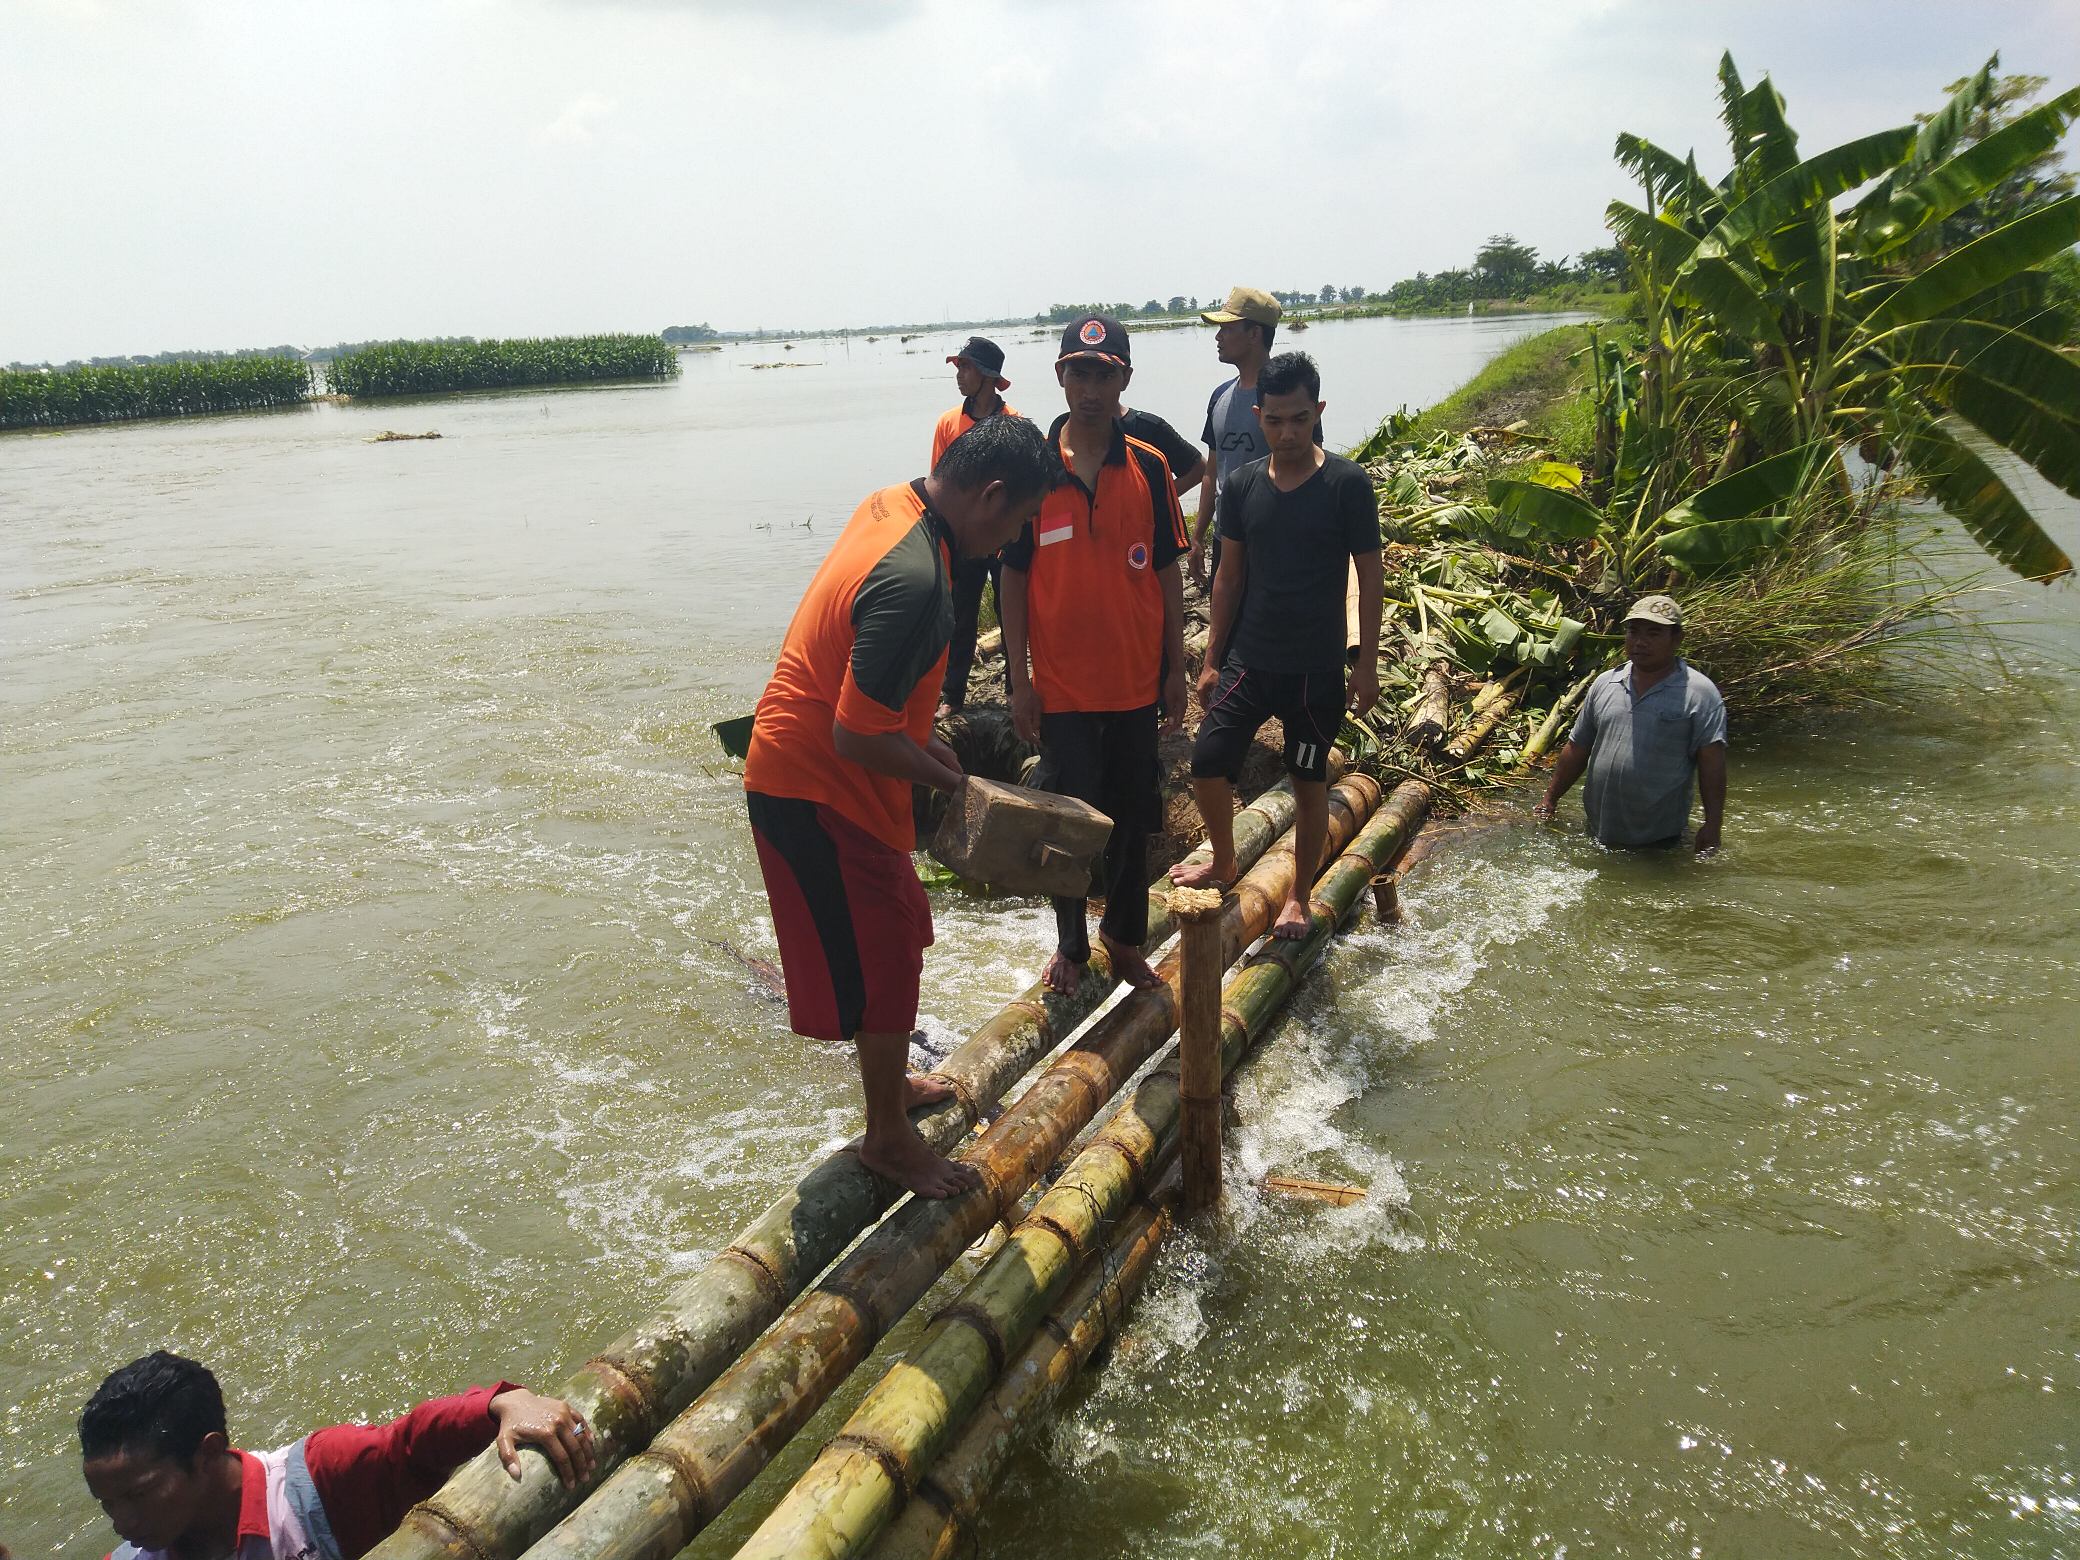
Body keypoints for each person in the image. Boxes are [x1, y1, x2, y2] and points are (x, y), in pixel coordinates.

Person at [744, 414, 1055, 1197]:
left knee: (900, 934)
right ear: (989, 495)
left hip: (836, 777)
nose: (1014, 540)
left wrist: (922, 743)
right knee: (878, 957)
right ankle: (886, 1138)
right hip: (813, 785)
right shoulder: (916, 580)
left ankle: (893, 1091)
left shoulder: (894, 502)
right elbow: (855, 734)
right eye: (1019, 522)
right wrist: (951, 781)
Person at [1001, 313, 1189, 995]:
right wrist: (1019, 680)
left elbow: (1167, 571)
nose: (1090, 386)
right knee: (1068, 824)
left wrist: (1176, 668)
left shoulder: (1150, 467)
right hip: (1063, 691)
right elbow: (1013, 578)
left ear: (1123, 380)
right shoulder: (1033, 471)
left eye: (1103, 373)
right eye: (1078, 372)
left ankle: (1126, 941)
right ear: (1060, 376)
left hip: (1137, 684)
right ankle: (1072, 947)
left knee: (1135, 817)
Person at [1169, 352, 1382, 936]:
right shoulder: (1240, 486)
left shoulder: (1346, 484)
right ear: (1259, 416)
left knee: (1308, 780)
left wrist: (1365, 665)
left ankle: (1299, 896)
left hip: (1315, 670)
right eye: (1275, 420)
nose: (1287, 433)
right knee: (1209, 763)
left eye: (1299, 419)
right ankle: (1224, 857)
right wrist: (1212, 660)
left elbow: (1369, 576)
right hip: (1250, 659)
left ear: (1318, 412)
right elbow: (1229, 577)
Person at [79, 1349, 593, 1560]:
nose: (122, 1522)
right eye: (107, 1504)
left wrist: (501, 1404)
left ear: (207, 1455)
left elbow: (408, 1444)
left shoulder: (316, 1482)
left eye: (137, 1496)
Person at [1534, 595, 1727, 852]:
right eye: (1633, 632)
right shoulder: (1606, 683)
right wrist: (1550, 799)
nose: (1640, 642)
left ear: (1677, 639)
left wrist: (1712, 824)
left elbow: (1712, 764)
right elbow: (1577, 747)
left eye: (1654, 633)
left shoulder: (1699, 693)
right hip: (1597, 829)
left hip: (1659, 839)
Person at [1189, 286, 1321, 587]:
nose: (1218, 337)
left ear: (1254, 334)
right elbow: (1213, 469)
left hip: (1278, 539)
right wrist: (1198, 537)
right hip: (1228, 537)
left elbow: (1314, 468)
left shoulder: (1289, 397)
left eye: (1227, 328)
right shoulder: (1220, 396)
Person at [931, 336, 1020, 718]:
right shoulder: (948, 423)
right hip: (964, 538)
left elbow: (1021, 487)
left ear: (986, 376)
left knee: (1011, 612)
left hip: (1003, 538)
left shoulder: (1012, 423)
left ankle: (1018, 688)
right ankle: (952, 694)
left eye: (965, 367)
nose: (959, 375)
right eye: (958, 367)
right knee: (960, 615)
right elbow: (937, 485)